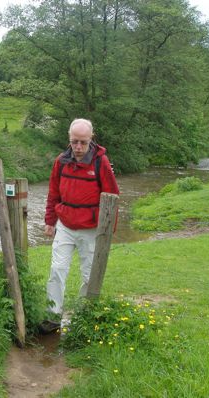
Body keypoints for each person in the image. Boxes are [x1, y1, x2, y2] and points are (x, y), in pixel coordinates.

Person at [40, 118, 119, 333]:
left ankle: (84, 317)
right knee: (57, 269)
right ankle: (53, 316)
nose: (78, 147)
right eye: (75, 141)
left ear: (91, 139)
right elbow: (53, 192)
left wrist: (108, 230)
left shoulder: (100, 162)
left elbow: (112, 195)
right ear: (69, 139)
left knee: (88, 275)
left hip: (91, 228)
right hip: (65, 225)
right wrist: (50, 221)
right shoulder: (61, 161)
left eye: (83, 142)